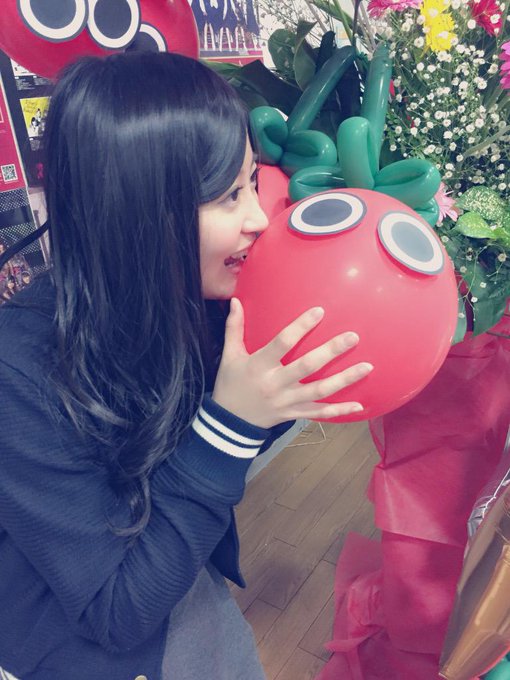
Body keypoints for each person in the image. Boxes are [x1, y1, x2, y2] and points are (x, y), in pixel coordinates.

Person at [0, 52, 373, 680]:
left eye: (252, 182)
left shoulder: (197, 300)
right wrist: (231, 424)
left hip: (179, 573)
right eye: (228, 196)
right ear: (136, 209)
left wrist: (272, 390)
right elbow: (116, 610)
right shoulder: (19, 371)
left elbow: (221, 445)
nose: (258, 218)